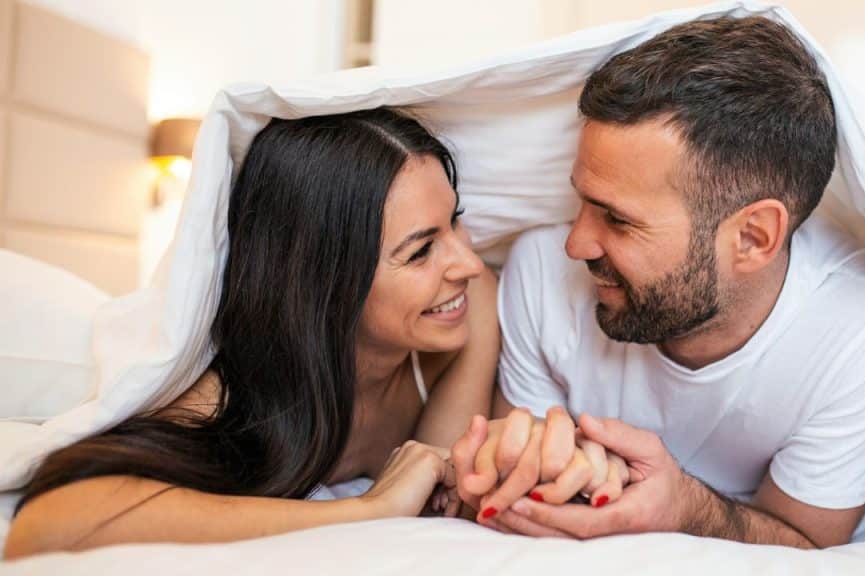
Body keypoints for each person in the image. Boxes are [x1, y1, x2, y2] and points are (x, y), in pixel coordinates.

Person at [452, 16, 865, 549]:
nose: (576, 245)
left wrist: (685, 508)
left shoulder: (856, 337)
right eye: (581, 200)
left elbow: (806, 542)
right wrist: (517, 462)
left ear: (753, 237)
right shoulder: (540, 274)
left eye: (618, 219)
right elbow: (516, 476)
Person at [3, 109, 505, 558]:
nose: (466, 262)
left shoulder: (471, 303)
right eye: (420, 252)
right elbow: (45, 524)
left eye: (454, 222)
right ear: (325, 281)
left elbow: (443, 494)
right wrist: (364, 510)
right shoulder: (231, 391)